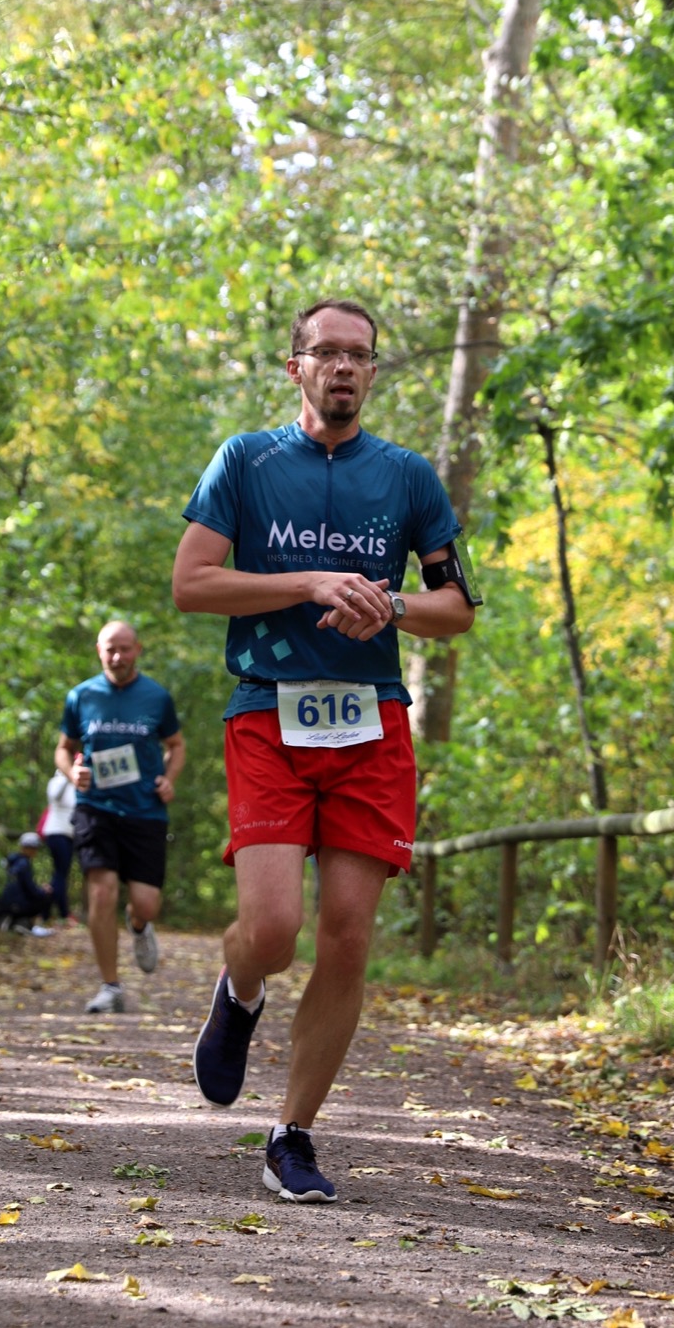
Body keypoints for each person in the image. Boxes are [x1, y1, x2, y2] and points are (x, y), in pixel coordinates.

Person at [172, 296, 478, 1203]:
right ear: (295, 366)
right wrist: (309, 582)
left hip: (372, 723)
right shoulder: (246, 460)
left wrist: (391, 605)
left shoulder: (408, 477)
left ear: (373, 372)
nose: (344, 367)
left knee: (347, 937)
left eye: (360, 355)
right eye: (327, 353)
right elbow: (191, 583)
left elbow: (455, 609)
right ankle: (240, 988)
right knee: (273, 929)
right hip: (268, 713)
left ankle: (292, 1134)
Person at [56, 620, 185, 1013]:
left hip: (145, 810)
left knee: (146, 903)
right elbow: (63, 749)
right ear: (99, 651)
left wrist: (169, 778)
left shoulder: (157, 697)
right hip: (96, 807)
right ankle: (110, 986)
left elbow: (176, 745)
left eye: (125, 649)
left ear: (137, 650)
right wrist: (72, 773)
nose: (117, 657)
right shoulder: (81, 696)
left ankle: (139, 924)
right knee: (101, 890)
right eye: (110, 649)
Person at [0, 833, 54, 934]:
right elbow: (31, 890)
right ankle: (27, 924)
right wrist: (43, 891)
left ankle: (14, 920)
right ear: (26, 848)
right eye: (34, 848)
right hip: (17, 905)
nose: (35, 851)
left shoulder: (11, 861)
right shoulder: (24, 864)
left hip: (4, 903)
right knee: (46, 896)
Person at [40, 768, 76, 921]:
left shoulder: (74, 786)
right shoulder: (56, 781)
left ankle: (53, 912)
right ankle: (56, 912)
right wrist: (67, 776)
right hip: (56, 832)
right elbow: (55, 796)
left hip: (69, 835)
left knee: (61, 874)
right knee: (60, 873)